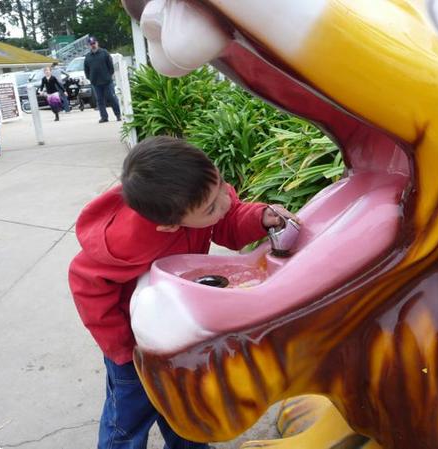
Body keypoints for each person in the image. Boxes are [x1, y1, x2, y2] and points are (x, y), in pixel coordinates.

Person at [68, 136, 296, 449]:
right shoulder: (127, 242)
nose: (225, 201)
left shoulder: (198, 195)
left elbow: (228, 221)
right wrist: (122, 348)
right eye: (212, 205)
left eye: (221, 184)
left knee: (184, 403)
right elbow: (86, 284)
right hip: (135, 343)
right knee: (129, 417)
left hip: (178, 329)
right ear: (170, 227)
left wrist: (258, 217)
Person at [84, 36, 122, 123]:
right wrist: (90, 78)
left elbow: (110, 66)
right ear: (89, 45)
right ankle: (104, 117)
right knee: (100, 101)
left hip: (107, 81)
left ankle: (118, 114)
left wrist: (109, 76)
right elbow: (86, 70)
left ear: (97, 43)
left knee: (112, 98)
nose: (93, 45)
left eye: (94, 43)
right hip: (95, 83)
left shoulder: (104, 52)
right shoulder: (87, 57)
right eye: (91, 44)